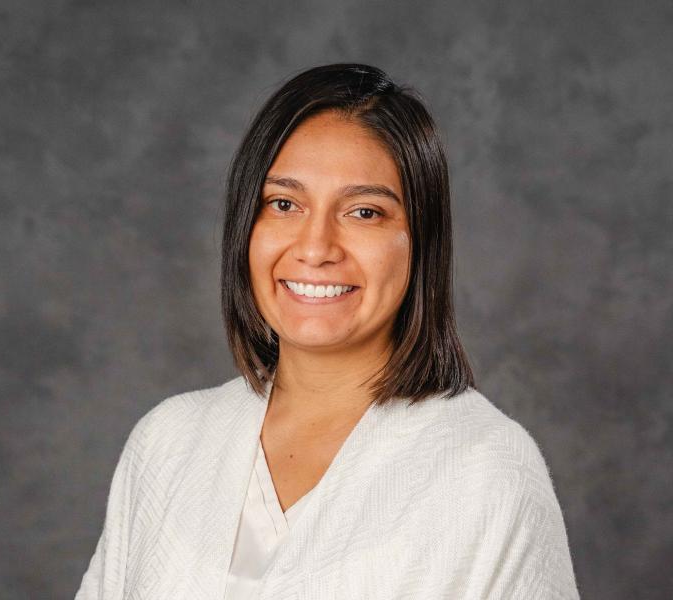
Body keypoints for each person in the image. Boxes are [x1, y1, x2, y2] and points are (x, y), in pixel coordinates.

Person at [75, 63, 580, 599]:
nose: (315, 248)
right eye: (284, 204)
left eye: (364, 212)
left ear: (421, 243)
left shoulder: (486, 469)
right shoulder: (169, 443)